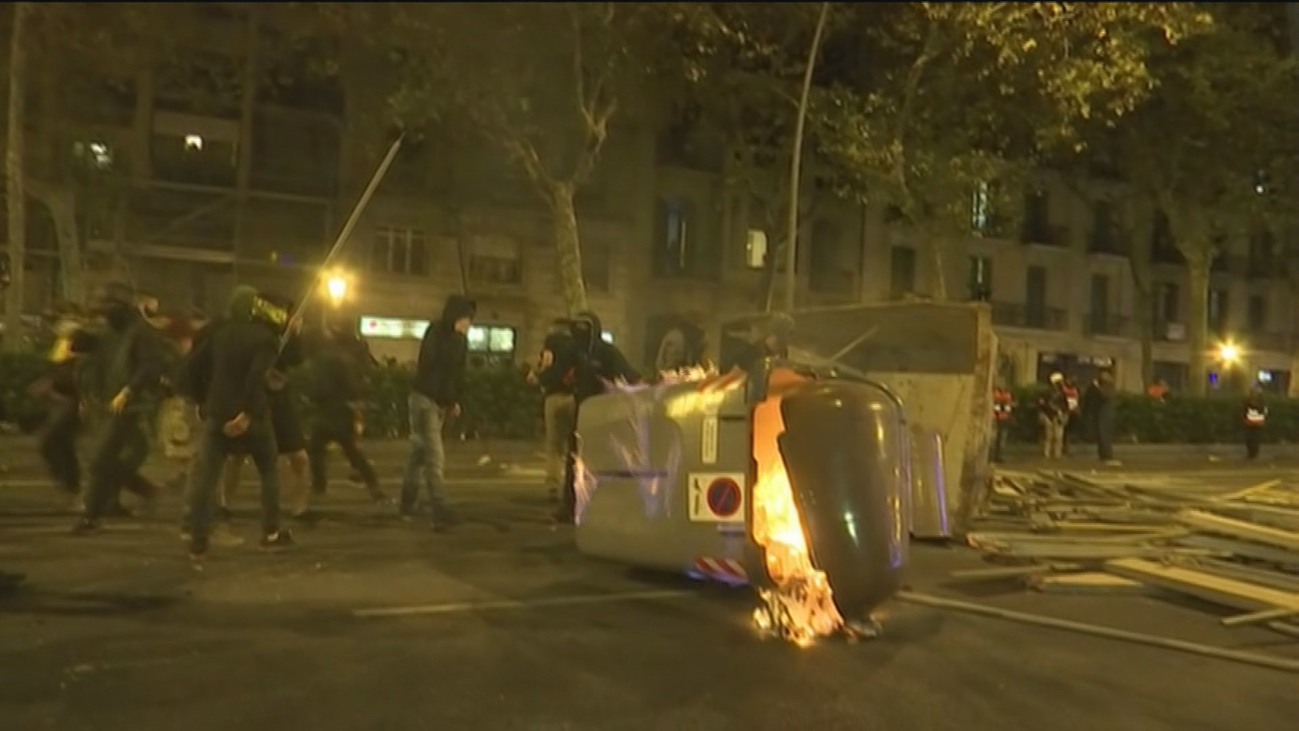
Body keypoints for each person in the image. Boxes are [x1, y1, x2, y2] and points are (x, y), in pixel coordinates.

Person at [183, 285, 293, 560]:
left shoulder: (219, 334)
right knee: (268, 471)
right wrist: (247, 413)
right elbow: (256, 378)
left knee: (207, 477)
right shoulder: (265, 339)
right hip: (251, 418)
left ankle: (198, 539)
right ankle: (270, 531)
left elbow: (191, 367)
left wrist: (202, 401)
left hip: (217, 414)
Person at [73, 283, 165, 534]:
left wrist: (128, 392)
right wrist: (86, 396)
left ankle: (90, 516)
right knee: (117, 455)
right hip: (105, 401)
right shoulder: (108, 331)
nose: (103, 311)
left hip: (128, 405)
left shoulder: (141, 332)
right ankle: (134, 493)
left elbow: (150, 366)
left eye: (108, 305)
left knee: (100, 457)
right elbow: (89, 360)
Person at [220, 294, 313, 522]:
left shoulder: (284, 333)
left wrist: (295, 334)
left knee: (299, 456)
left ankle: (299, 507)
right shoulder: (250, 333)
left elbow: (296, 359)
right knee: (236, 456)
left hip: (280, 399)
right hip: (252, 397)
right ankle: (223, 504)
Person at [552, 310, 641, 525]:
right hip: (581, 411)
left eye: (585, 328)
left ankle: (598, 506)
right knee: (575, 460)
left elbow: (626, 373)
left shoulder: (606, 352)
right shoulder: (572, 349)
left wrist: (640, 383)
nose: (580, 333)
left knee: (601, 460)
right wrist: (543, 377)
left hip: (603, 413)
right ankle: (570, 506)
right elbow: (557, 371)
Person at [399, 294, 476, 529]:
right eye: (465, 319)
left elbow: (458, 374)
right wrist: (448, 397)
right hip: (425, 399)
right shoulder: (437, 333)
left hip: (439, 402)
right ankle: (439, 507)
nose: (467, 324)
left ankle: (407, 502)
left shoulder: (460, 341)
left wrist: (455, 401)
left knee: (419, 453)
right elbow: (431, 365)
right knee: (434, 455)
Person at [306, 311, 387, 504]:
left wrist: (315, 397)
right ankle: (373, 486)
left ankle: (319, 486)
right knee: (351, 450)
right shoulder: (350, 352)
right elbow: (356, 381)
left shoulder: (328, 355)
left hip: (328, 408)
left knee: (317, 448)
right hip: (341, 409)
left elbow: (318, 384)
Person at [35, 320, 96, 510]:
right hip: (62, 403)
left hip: (70, 405)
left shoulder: (82, 357)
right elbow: (58, 371)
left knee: (53, 444)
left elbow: (81, 382)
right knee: (58, 446)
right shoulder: (66, 353)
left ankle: (72, 489)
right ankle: (69, 488)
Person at [530, 318, 576, 505]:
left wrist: (539, 377)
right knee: (573, 444)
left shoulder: (551, 343)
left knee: (554, 445)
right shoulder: (576, 345)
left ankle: (553, 485)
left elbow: (547, 364)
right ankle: (574, 486)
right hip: (574, 398)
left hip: (554, 397)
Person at [724, 313, 794, 374]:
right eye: (790, 332)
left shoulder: (783, 352)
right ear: (779, 333)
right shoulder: (750, 354)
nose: (792, 336)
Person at [1089, 369, 1120, 465]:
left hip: (1107, 414)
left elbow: (1105, 396)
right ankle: (1102, 455)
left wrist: (1097, 387)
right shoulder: (1103, 386)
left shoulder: (1109, 387)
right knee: (1100, 434)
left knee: (1104, 434)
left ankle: (1107, 455)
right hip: (1101, 413)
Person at [1036, 372, 1069, 460]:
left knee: (1058, 436)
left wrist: (1062, 412)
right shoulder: (1046, 393)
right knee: (1049, 436)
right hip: (1049, 415)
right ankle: (1047, 453)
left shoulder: (1062, 393)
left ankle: (1057, 453)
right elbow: (1041, 404)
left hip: (1058, 416)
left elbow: (1065, 405)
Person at [990, 383, 1014, 464]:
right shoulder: (999, 395)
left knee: (999, 438)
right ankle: (995, 455)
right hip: (998, 419)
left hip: (1002, 418)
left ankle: (997, 455)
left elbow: (1006, 407)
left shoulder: (1003, 395)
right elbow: (1000, 407)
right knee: (996, 438)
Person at [1243, 387, 1268, 461]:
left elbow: (1245, 410)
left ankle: (1252, 454)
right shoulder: (1249, 401)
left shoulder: (1260, 402)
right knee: (1252, 439)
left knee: (1252, 439)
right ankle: (1252, 453)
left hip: (1254, 422)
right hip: (1253, 422)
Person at [1060, 375, 1081, 455]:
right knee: (1065, 430)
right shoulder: (1064, 390)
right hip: (1067, 411)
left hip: (1072, 412)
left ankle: (1067, 447)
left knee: (1069, 431)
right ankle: (1065, 447)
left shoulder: (1074, 390)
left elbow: (1077, 399)